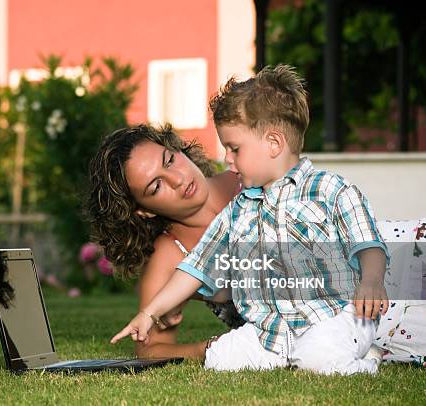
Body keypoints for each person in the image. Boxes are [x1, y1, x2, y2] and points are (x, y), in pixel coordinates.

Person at [110, 65, 391, 375]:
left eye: (234, 149)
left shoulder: (326, 188)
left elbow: (367, 240)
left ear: (273, 144)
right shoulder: (239, 208)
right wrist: (150, 313)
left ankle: (368, 359)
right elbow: (194, 268)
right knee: (223, 358)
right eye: (156, 185)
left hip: (341, 308)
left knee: (319, 359)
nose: (228, 160)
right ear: (143, 209)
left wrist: (372, 280)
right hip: (274, 328)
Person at [87, 123, 242, 359]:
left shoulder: (251, 179)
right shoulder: (169, 255)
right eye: (156, 186)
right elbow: (149, 350)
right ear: (144, 211)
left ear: (177, 148)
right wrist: (215, 348)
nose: (177, 180)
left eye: (169, 161)